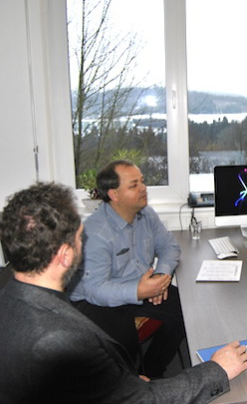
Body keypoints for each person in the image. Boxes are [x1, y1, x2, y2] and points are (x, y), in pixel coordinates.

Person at [0, 182, 247, 404]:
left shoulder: (4, 300)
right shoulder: (62, 339)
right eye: (79, 237)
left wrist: (120, 382)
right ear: (65, 255)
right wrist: (217, 370)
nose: (83, 243)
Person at [69, 160, 184, 378]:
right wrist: (139, 292)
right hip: (95, 299)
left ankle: (152, 371)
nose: (143, 188)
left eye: (142, 181)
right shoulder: (96, 233)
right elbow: (95, 289)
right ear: (114, 194)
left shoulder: (146, 214)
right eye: (134, 185)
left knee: (185, 312)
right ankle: (130, 385)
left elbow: (170, 247)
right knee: (124, 340)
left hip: (139, 286)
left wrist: (161, 276)